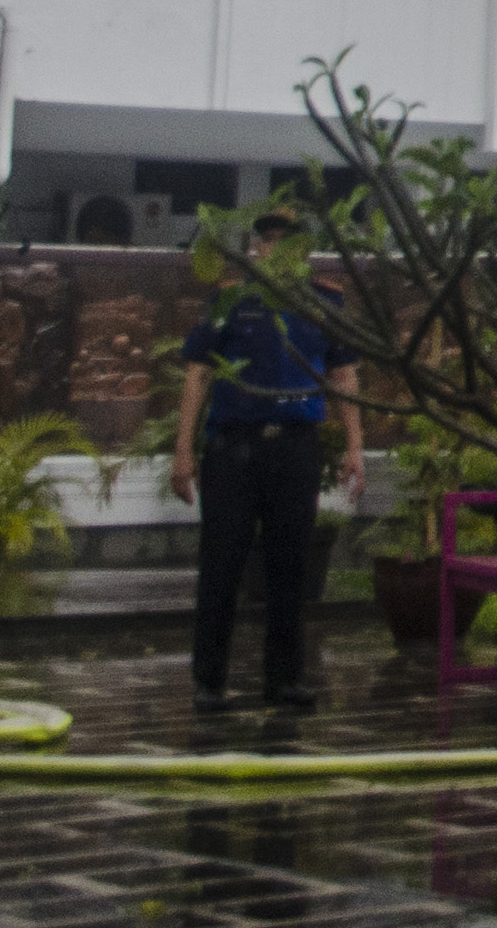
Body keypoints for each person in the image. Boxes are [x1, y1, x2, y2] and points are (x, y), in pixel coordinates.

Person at [170, 205, 364, 710]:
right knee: (222, 564)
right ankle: (209, 681)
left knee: (290, 566)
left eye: (288, 239)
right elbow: (198, 373)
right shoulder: (230, 301)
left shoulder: (325, 302)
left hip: (297, 447)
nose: (276, 247)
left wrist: (354, 448)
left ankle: (285, 679)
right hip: (236, 446)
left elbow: (343, 377)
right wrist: (183, 451)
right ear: (257, 246)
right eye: (269, 238)